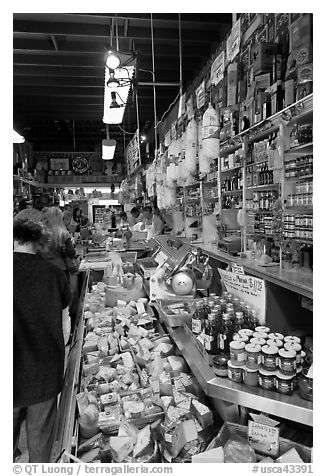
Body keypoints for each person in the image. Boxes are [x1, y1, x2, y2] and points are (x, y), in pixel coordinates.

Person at [13, 208, 71, 462]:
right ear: (42, 237)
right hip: (44, 373)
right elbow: (65, 326)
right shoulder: (55, 275)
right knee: (39, 445)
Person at [41, 207, 77, 281]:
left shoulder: (41, 233)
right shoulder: (63, 233)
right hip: (60, 268)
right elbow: (71, 252)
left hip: (44, 268)